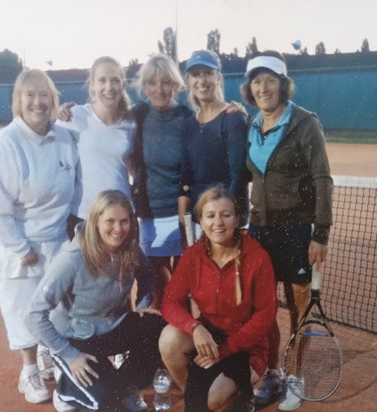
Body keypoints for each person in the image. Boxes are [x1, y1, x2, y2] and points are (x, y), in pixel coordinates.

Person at [0, 69, 78, 404]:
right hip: (14, 243)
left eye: (43, 94)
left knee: (58, 310)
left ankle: (51, 359)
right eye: (29, 95)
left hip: (55, 237)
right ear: (18, 101)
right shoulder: (5, 144)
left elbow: (76, 188)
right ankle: (29, 372)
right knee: (22, 310)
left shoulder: (65, 138)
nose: (37, 101)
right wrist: (21, 248)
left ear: (53, 99)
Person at [240, 51, 334, 411]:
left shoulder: (305, 123)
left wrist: (320, 233)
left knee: (298, 309)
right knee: (263, 310)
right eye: (257, 81)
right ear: (250, 88)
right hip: (260, 231)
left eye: (270, 80)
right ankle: (273, 373)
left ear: (283, 84)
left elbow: (323, 179)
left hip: (297, 230)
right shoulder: (251, 125)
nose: (263, 87)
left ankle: (295, 375)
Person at [26, 190, 165, 412]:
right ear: (95, 221)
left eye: (124, 221)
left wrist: (142, 306)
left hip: (110, 328)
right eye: (110, 221)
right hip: (75, 339)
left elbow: (148, 275)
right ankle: (66, 390)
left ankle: (124, 385)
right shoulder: (72, 259)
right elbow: (33, 316)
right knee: (108, 404)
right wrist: (69, 355)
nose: (118, 229)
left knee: (157, 327)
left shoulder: (129, 249)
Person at [159, 185, 277, 412]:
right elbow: (170, 302)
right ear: (201, 222)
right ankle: (195, 395)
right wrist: (194, 327)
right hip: (209, 336)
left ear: (237, 220)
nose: (218, 223)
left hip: (246, 347)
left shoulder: (258, 258)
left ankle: (235, 397)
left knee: (211, 400)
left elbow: (265, 317)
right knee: (169, 339)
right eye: (210, 216)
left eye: (226, 215)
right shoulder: (193, 255)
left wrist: (225, 350)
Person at [130, 53, 193, 308]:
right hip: (150, 214)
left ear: (176, 85)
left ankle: (181, 340)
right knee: (157, 282)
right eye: (152, 83)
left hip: (183, 214)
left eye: (166, 82)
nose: (159, 89)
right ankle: (157, 341)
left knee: (182, 283)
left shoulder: (187, 118)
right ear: (144, 87)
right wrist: (69, 112)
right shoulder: (139, 114)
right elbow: (105, 118)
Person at [56, 56, 136, 239]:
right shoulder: (73, 117)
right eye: (102, 80)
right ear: (92, 85)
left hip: (121, 218)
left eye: (115, 80)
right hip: (84, 218)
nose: (109, 87)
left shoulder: (131, 123)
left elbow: (132, 166)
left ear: (122, 84)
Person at [179, 50, 249, 237]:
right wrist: (185, 226)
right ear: (189, 81)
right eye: (195, 74)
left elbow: (238, 176)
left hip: (226, 222)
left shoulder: (233, 118)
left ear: (218, 77)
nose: (201, 80)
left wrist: (224, 219)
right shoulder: (189, 124)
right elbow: (186, 178)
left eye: (207, 73)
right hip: (200, 220)